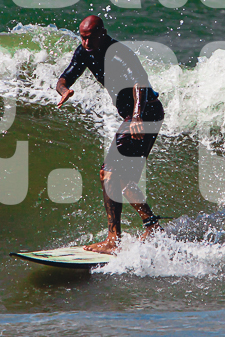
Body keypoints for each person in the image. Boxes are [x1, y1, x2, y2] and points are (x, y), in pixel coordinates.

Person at [56, 15, 165, 254]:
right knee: (124, 179)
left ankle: (114, 239)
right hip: (137, 117)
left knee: (109, 172)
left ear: (102, 33)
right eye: (82, 38)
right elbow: (65, 77)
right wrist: (64, 90)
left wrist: (136, 117)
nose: (85, 43)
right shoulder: (84, 52)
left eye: (89, 37)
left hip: (145, 112)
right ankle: (152, 226)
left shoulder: (119, 52)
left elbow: (140, 81)